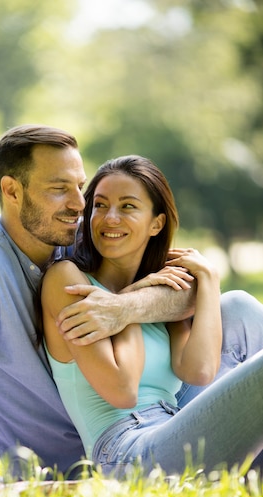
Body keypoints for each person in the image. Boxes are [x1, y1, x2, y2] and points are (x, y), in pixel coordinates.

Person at [0, 125, 198, 488]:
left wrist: (124, 307)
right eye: (59, 189)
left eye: (80, 187)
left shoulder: (78, 236)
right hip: (66, 465)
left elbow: (188, 290)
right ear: (11, 191)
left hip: (153, 424)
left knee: (238, 314)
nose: (79, 204)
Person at [41, 155, 263, 478]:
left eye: (127, 207)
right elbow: (123, 390)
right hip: (126, 452)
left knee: (240, 305)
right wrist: (128, 305)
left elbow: (199, 371)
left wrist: (209, 281)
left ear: (156, 223)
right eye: (100, 206)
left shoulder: (156, 291)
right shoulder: (68, 280)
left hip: (173, 424)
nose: (110, 218)